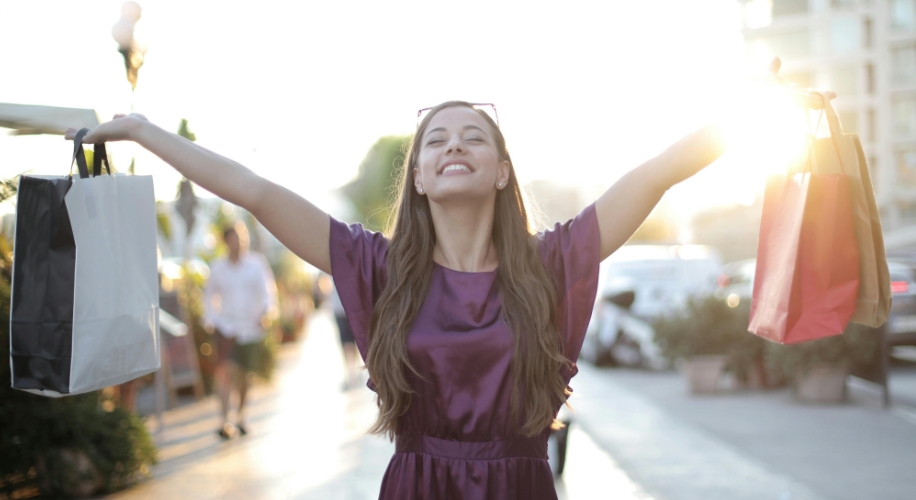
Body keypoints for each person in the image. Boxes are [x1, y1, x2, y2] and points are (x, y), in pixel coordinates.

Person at [67, 61, 832, 499]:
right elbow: (257, 191)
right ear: (422, 177)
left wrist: (764, 109)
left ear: (503, 173)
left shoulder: (554, 261)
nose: (454, 145)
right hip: (416, 487)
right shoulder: (375, 268)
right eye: (438, 140)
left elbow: (657, 173)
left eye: (475, 138)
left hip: (523, 488)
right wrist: (142, 132)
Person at [203, 221, 278, 439]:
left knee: (245, 377)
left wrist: (265, 313)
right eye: (234, 238)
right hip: (226, 330)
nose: (239, 242)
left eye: (242, 238)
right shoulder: (217, 267)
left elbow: (267, 294)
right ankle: (224, 421)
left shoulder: (256, 264)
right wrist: (213, 321)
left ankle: (241, 417)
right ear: (226, 241)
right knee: (226, 373)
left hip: (250, 330)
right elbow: (209, 298)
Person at [330, 280, 363, 390]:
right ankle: (354, 373)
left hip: (343, 307)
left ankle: (352, 374)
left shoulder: (333, 263)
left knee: (347, 343)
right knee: (353, 342)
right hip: (351, 305)